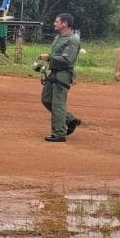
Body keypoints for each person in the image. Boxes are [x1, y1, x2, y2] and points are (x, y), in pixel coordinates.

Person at [39, 13, 82, 142]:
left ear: (65, 24)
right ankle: (70, 119)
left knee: (58, 103)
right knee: (46, 99)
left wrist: (50, 57)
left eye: (57, 21)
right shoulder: (58, 37)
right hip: (54, 72)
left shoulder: (73, 40)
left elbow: (68, 59)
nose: (54, 23)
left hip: (63, 74)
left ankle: (59, 133)